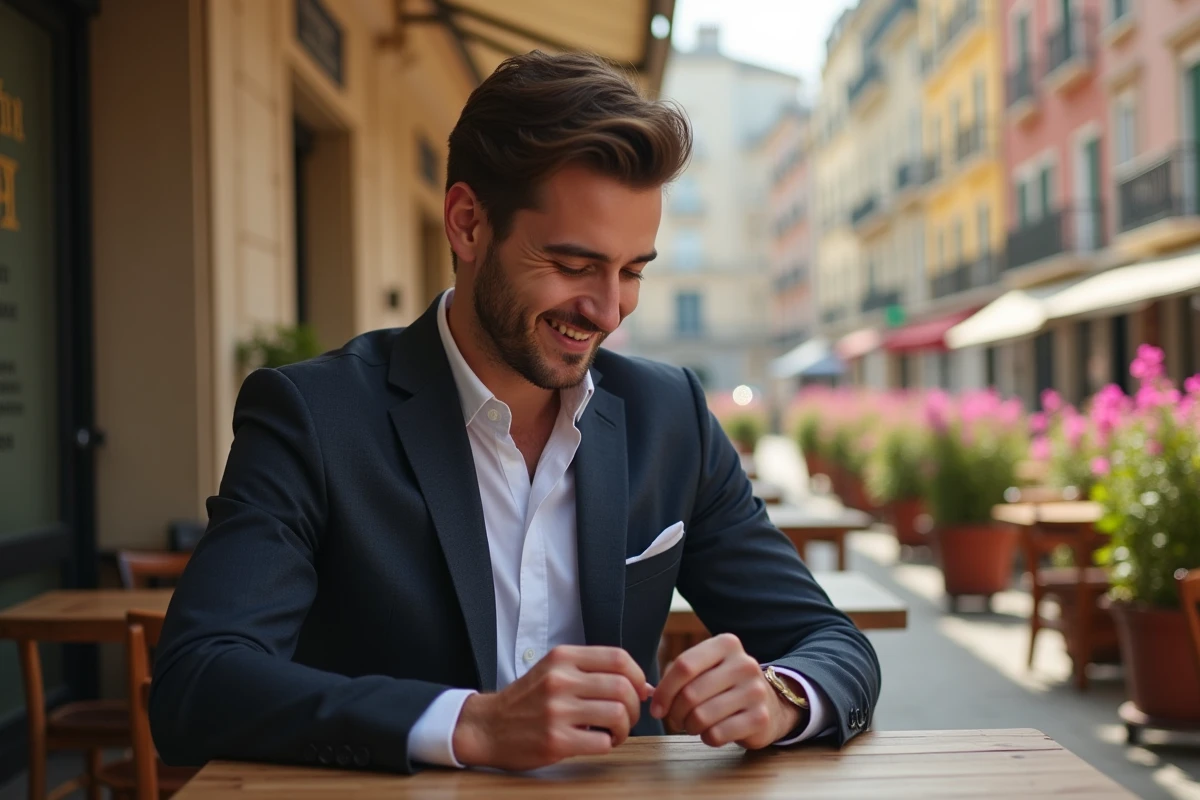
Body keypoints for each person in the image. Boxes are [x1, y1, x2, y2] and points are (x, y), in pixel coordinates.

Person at [150, 50, 880, 775]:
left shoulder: (670, 416)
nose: (607, 311)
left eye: (632, 272)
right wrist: (468, 725)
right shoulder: (314, 416)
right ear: (468, 224)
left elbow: (830, 643)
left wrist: (781, 695)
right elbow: (198, 683)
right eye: (572, 265)